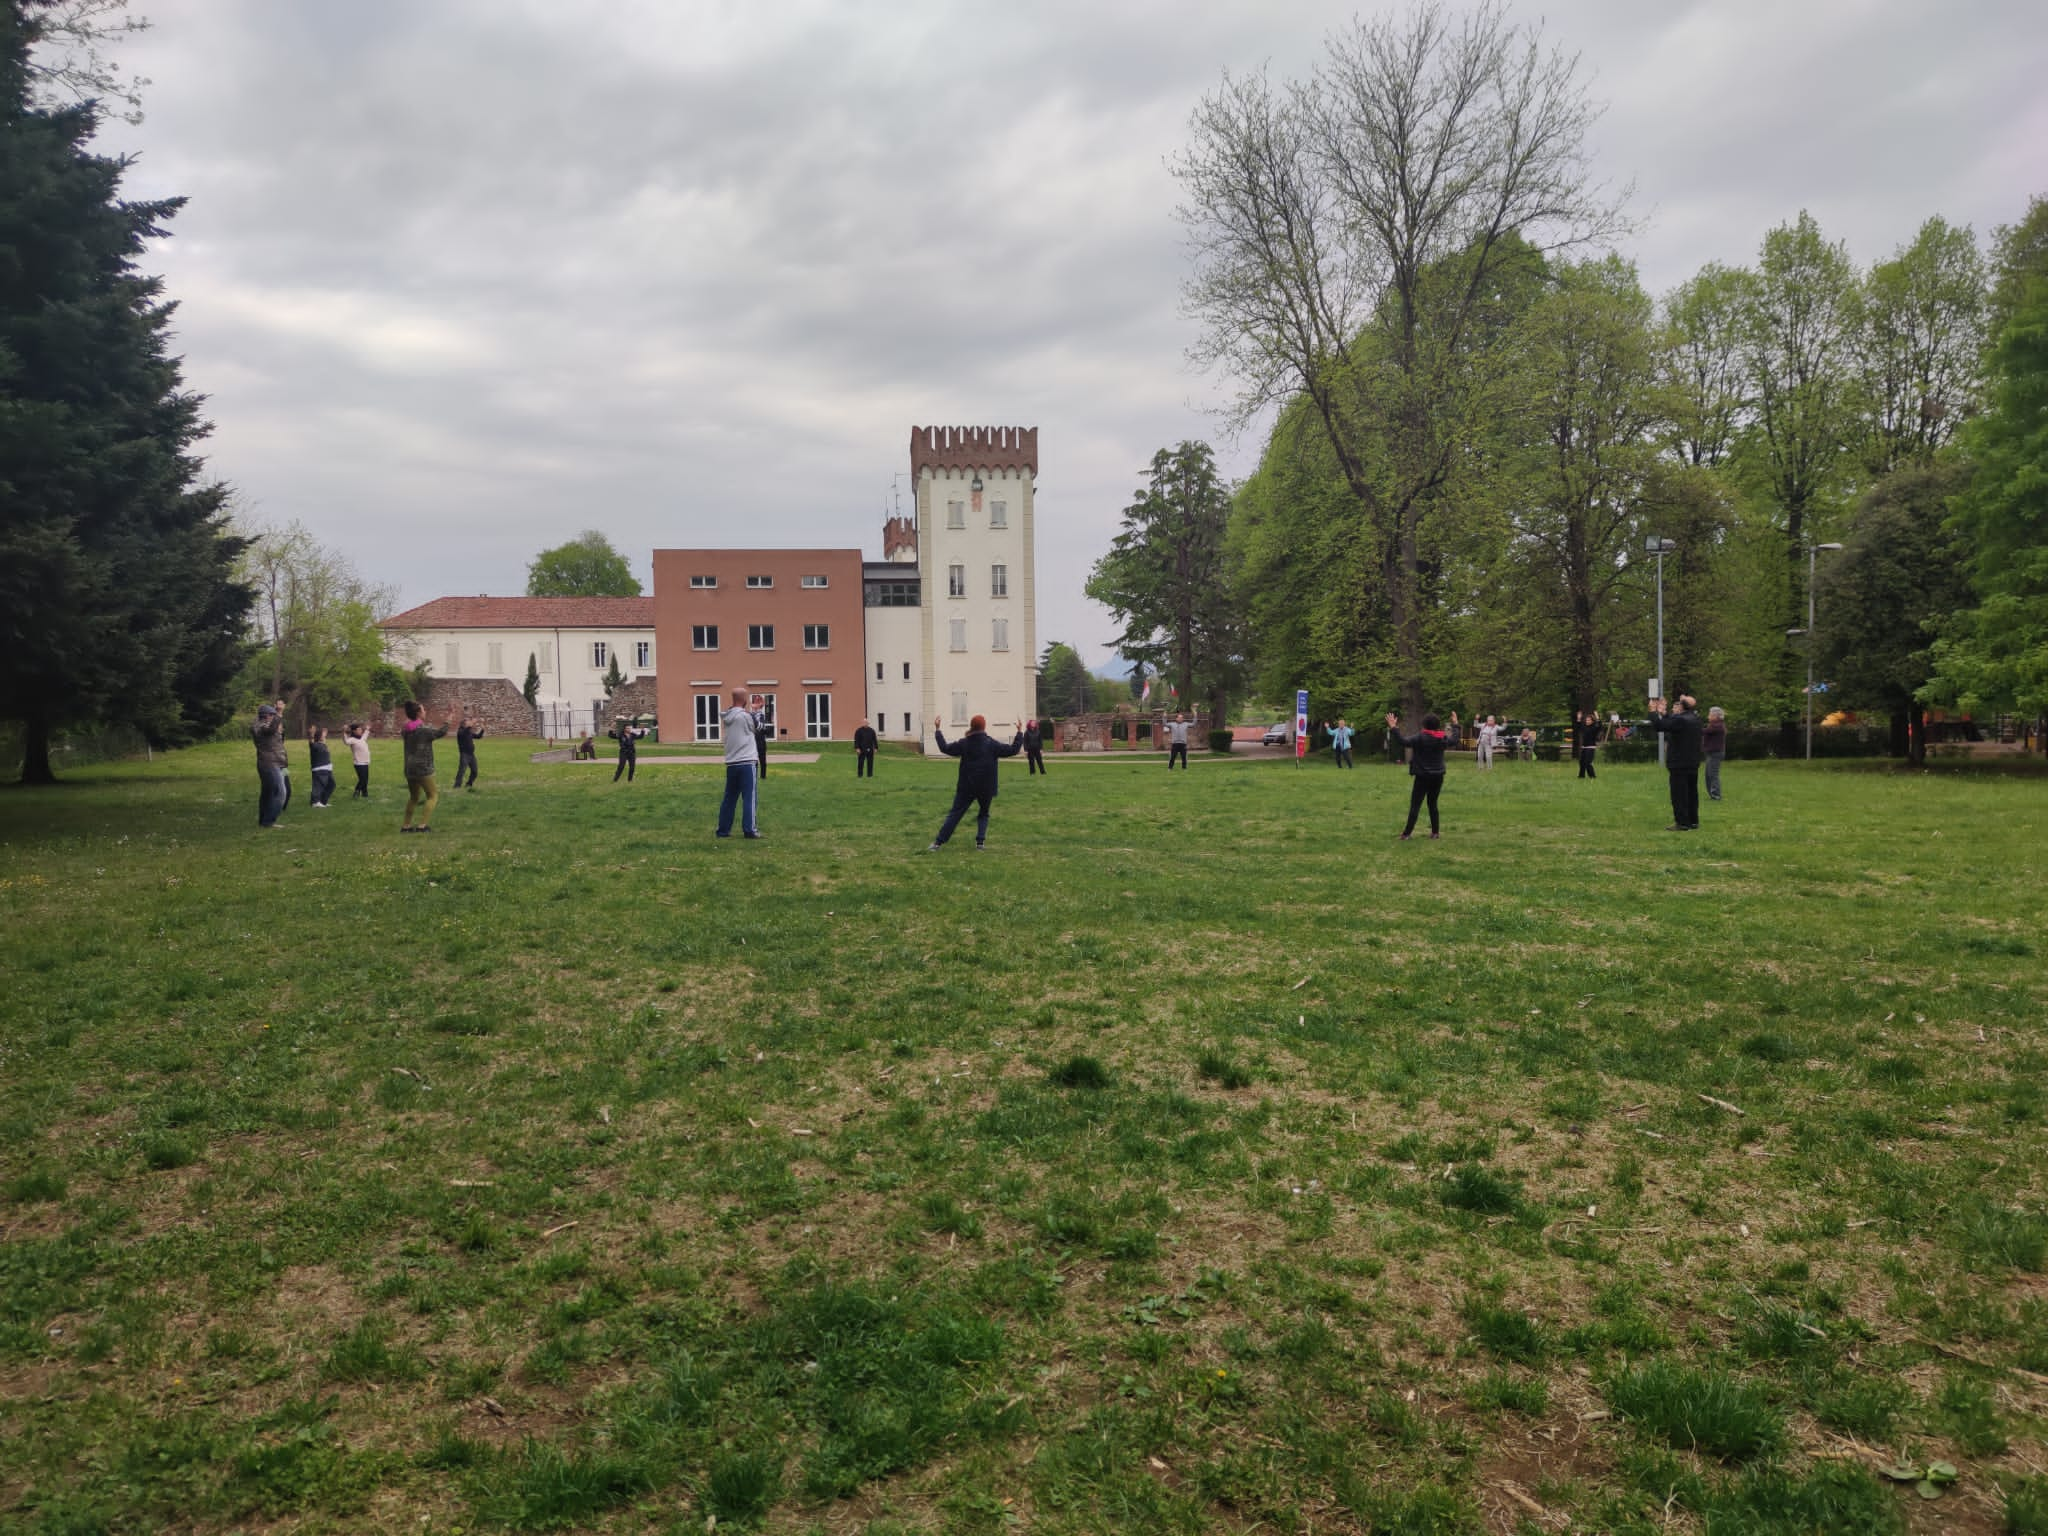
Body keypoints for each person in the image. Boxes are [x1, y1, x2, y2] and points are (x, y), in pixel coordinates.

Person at [928, 712, 1023, 851]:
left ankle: (937, 843)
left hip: (966, 786)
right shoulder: (992, 744)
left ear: (971, 726)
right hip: (986, 787)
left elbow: (945, 748)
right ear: (984, 727)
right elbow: (1013, 750)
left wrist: (937, 729)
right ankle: (980, 843)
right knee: (984, 813)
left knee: (955, 814)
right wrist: (1019, 732)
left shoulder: (964, 743)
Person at [1643, 694, 1704, 831]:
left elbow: (1659, 726)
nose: (1674, 707)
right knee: (1691, 793)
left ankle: (1682, 823)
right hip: (1692, 762)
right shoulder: (1695, 718)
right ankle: (1693, 821)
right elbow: (1673, 725)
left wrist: (1653, 711)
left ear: (1681, 707)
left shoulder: (1681, 720)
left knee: (1679, 794)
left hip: (1679, 763)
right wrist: (1664, 714)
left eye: (1677, 704)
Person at [1385, 712, 1449, 839]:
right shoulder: (1442, 738)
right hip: (1438, 776)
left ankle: (1406, 834)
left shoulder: (1420, 737)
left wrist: (1393, 727)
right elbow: (1455, 739)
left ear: (1424, 725)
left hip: (1423, 776)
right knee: (1433, 804)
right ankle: (1435, 833)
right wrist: (1456, 725)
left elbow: (1403, 741)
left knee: (1415, 805)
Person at [400, 699, 453, 833]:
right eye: (423, 710)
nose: (425, 711)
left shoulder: (406, 730)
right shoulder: (423, 730)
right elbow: (440, 733)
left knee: (413, 797)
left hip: (409, 768)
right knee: (433, 796)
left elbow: (408, 726)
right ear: (418, 713)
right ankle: (422, 826)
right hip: (423, 769)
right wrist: (449, 719)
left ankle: (406, 827)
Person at [716, 687, 761, 839]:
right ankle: (750, 829)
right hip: (747, 761)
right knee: (750, 797)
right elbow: (759, 727)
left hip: (732, 762)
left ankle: (723, 830)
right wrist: (756, 711)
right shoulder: (746, 716)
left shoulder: (727, 716)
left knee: (729, 797)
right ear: (744, 700)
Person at [252, 701, 288, 828]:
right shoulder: (260, 727)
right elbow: (271, 729)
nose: (273, 717)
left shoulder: (264, 726)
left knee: (268, 793)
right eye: (272, 715)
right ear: (267, 716)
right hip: (269, 764)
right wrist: (279, 712)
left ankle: (264, 821)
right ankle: (269, 821)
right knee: (280, 792)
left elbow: (276, 737)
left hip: (276, 763)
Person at [1703, 706, 1728, 801]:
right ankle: (1712, 794)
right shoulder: (1714, 724)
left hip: (1715, 753)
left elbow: (1704, 731)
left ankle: (1716, 795)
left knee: (1713, 774)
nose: (1708, 716)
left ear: (1715, 716)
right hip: (1712, 753)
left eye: (1710, 714)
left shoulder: (1717, 726)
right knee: (1708, 774)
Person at [454, 714, 486, 789]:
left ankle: (469, 784)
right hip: (464, 755)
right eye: (468, 721)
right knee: (462, 771)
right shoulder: (460, 731)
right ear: (464, 724)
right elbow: (465, 731)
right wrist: (472, 723)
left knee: (475, 772)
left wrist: (482, 730)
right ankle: (457, 786)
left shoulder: (469, 731)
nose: (469, 722)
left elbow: (478, 736)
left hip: (471, 755)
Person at [307, 725, 336, 807]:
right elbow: (311, 741)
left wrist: (324, 732)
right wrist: (311, 734)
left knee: (331, 785)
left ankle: (323, 801)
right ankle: (315, 802)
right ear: (318, 736)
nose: (324, 736)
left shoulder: (323, 745)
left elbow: (324, 737)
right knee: (319, 786)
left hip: (327, 769)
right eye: (322, 735)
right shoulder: (315, 745)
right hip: (319, 769)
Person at [611, 716, 646, 783]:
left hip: (632, 752)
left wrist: (642, 730)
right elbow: (611, 736)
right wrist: (612, 728)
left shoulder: (632, 735)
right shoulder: (621, 735)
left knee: (632, 767)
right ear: (624, 729)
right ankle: (615, 780)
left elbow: (640, 737)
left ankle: (630, 780)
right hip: (623, 752)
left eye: (629, 728)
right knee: (621, 766)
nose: (629, 729)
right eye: (627, 728)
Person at [345, 721, 372, 798]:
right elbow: (346, 742)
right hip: (359, 763)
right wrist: (344, 733)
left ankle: (365, 794)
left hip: (366, 762)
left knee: (365, 779)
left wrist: (367, 729)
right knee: (363, 779)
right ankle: (357, 791)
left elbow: (365, 735)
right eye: (359, 730)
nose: (361, 731)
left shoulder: (362, 739)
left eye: (361, 729)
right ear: (354, 731)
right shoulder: (352, 739)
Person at [1574, 710, 1603, 779]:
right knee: (1582, 762)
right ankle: (1581, 776)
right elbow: (1578, 727)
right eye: (1586, 720)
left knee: (1588, 763)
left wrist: (1597, 717)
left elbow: (1600, 726)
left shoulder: (1595, 728)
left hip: (1591, 747)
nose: (1587, 721)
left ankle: (1592, 776)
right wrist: (1578, 718)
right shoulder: (1584, 727)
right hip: (1584, 747)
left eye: (1589, 720)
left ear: (1592, 721)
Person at [750, 694, 770, 779]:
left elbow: (765, 729)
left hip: (761, 741)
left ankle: (763, 776)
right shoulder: (750, 715)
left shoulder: (763, 715)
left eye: (759, 701)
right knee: (754, 761)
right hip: (752, 741)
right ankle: (754, 775)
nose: (756, 704)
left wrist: (761, 728)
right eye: (755, 701)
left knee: (763, 761)